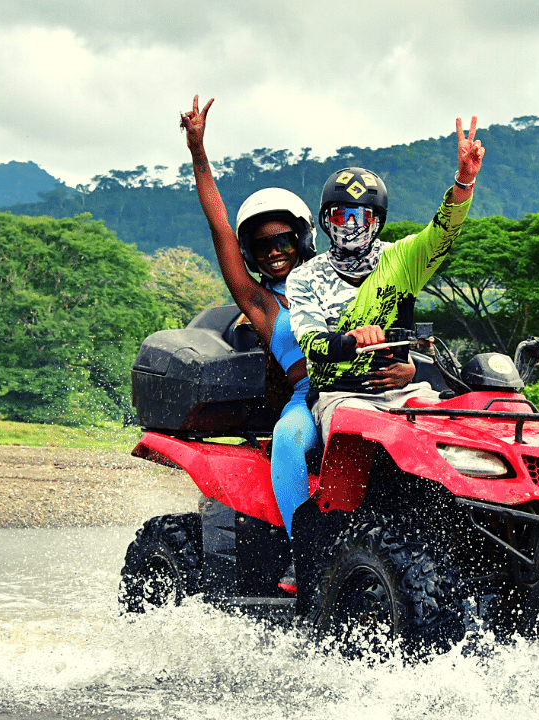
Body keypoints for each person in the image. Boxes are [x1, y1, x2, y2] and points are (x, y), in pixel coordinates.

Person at [179, 95, 341, 594]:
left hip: (364, 389)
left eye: (284, 242)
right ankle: (305, 557)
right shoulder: (261, 304)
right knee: (289, 444)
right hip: (306, 399)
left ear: (303, 240)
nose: (275, 252)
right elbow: (220, 227)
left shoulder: (339, 279)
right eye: (263, 245)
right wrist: (199, 153)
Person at [288, 116, 485, 443]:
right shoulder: (305, 277)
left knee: (465, 432)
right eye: (341, 215)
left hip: (407, 392)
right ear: (326, 219)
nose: (350, 225)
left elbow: (444, 230)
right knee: (372, 441)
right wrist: (352, 340)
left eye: (361, 216)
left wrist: (464, 181)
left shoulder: (403, 258)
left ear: (377, 220)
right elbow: (312, 343)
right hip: (340, 397)